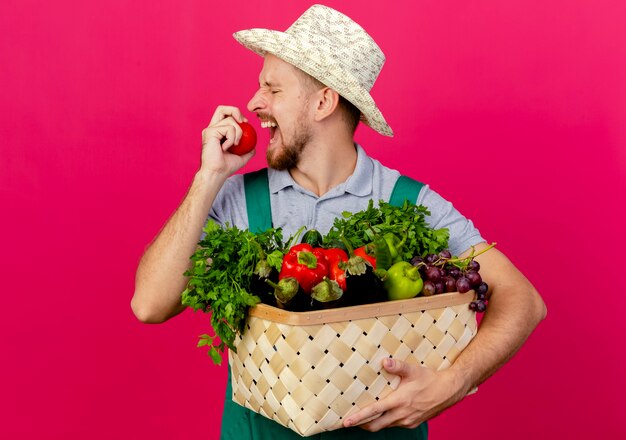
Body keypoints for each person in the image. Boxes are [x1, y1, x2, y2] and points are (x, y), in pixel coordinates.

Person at [131, 4, 546, 439]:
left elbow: (524, 301)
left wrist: (453, 383)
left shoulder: (411, 206)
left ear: (324, 101)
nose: (254, 104)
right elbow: (149, 304)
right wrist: (208, 177)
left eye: (272, 88)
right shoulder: (235, 200)